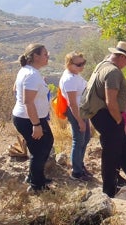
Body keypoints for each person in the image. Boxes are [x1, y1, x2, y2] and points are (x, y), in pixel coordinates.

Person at [82, 41, 126, 197]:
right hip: (107, 116)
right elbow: (111, 101)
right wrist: (118, 119)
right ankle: (109, 189)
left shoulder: (102, 65)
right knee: (111, 153)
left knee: (120, 147)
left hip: (100, 115)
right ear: (121, 56)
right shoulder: (113, 72)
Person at [12, 43, 54, 193]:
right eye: (45, 54)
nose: (47, 57)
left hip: (32, 117)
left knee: (46, 143)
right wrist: (36, 124)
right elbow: (28, 101)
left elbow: (15, 90)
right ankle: (37, 186)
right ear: (35, 56)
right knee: (39, 150)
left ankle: (35, 176)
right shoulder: (31, 75)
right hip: (29, 119)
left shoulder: (28, 71)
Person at [59, 51, 92, 181]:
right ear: (69, 64)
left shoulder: (75, 75)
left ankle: (79, 164)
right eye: (79, 64)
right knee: (78, 140)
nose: (82, 66)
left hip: (82, 111)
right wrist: (79, 121)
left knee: (85, 138)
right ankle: (76, 172)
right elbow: (72, 103)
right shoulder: (69, 79)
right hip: (76, 112)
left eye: (83, 63)